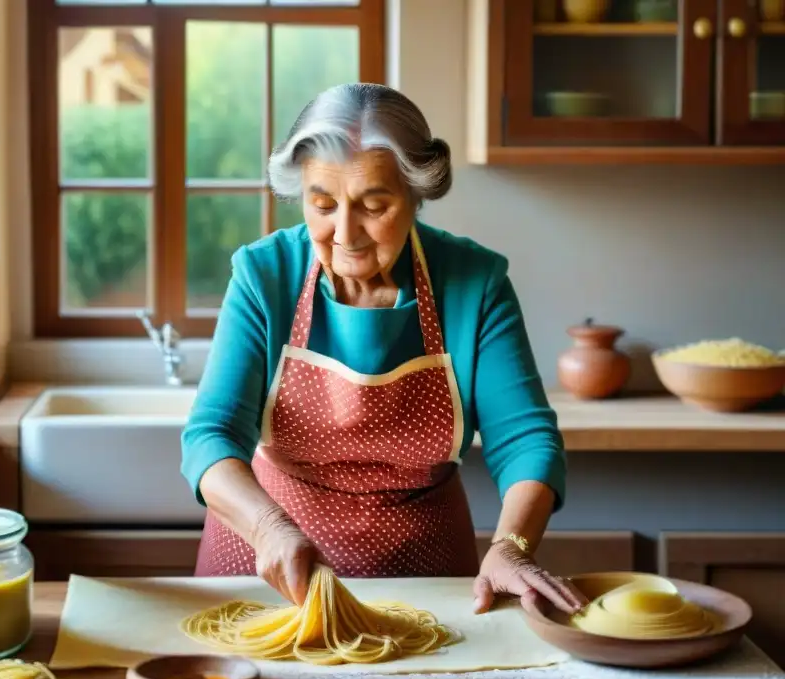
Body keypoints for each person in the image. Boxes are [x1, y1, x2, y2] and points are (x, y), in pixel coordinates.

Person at [180, 83, 585, 617]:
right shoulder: (263, 275)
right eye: (322, 204)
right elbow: (211, 435)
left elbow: (526, 439)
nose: (345, 232)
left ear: (416, 196)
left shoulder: (474, 281)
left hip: (428, 580)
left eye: (374, 205)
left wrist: (512, 547)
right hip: (266, 573)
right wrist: (269, 528)